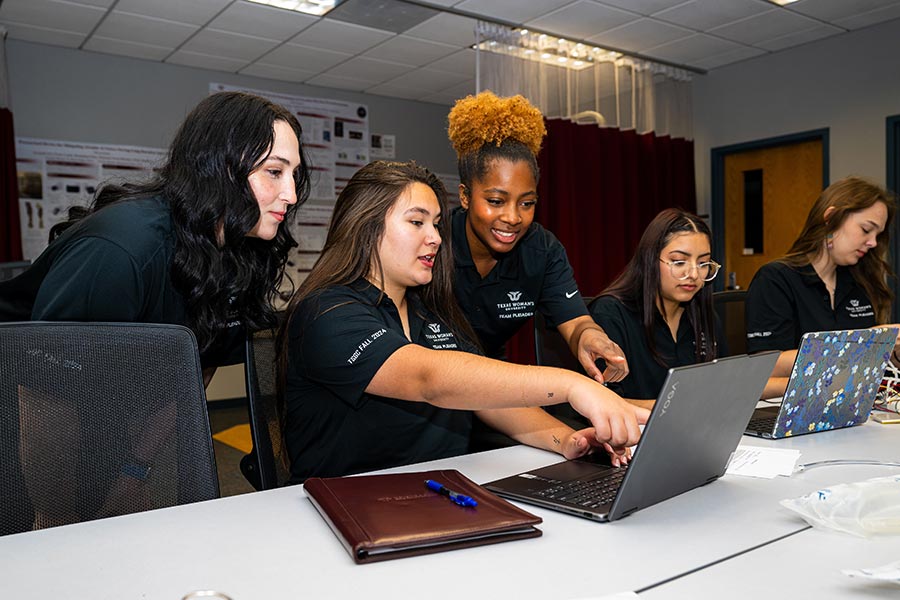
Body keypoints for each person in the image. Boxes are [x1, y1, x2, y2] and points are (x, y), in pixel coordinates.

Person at [278, 160, 648, 483]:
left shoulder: (430, 311)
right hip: (349, 503)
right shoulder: (327, 312)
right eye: (417, 222)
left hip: (439, 492)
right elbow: (430, 379)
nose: (436, 237)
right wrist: (573, 386)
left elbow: (485, 398)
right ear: (367, 226)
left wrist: (566, 440)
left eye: (437, 224)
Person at [0, 91, 310, 378]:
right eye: (274, 172)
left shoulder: (233, 246)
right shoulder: (122, 249)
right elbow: (46, 384)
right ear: (220, 168)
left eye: (293, 175)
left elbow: (200, 355)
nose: (291, 195)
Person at [446, 91, 628, 384]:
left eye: (526, 203)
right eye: (495, 201)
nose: (513, 217)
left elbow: (577, 321)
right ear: (465, 196)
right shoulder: (433, 243)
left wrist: (592, 338)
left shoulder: (541, 250)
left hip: (492, 383)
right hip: (423, 395)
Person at [588, 209, 724, 408]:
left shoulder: (703, 315)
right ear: (650, 259)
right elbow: (599, 402)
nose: (694, 274)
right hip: (632, 434)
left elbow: (723, 383)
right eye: (679, 262)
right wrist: (684, 407)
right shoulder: (611, 314)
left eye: (703, 263)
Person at [746, 176, 896, 355]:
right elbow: (767, 362)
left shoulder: (859, 282)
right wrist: (866, 345)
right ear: (831, 218)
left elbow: (868, 364)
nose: (873, 242)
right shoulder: (775, 280)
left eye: (877, 235)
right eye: (865, 230)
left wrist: (891, 354)